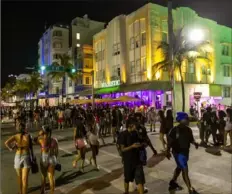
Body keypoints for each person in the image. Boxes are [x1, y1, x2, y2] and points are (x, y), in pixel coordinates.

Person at [166, 112, 199, 194]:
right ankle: (190, 189)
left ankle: (173, 182)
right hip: (178, 153)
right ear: (181, 120)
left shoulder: (188, 130)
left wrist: (194, 143)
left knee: (179, 167)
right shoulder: (174, 130)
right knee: (185, 170)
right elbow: (169, 142)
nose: (188, 120)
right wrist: (167, 151)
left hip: (185, 152)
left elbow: (191, 139)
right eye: (187, 119)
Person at [119, 118, 146, 194]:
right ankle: (126, 192)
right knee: (127, 178)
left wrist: (142, 144)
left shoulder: (136, 133)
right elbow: (122, 149)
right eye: (135, 125)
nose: (136, 127)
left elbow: (141, 141)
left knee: (140, 180)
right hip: (128, 161)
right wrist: (132, 146)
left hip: (137, 160)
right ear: (130, 125)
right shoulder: (123, 134)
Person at [5, 123, 31, 194]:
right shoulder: (28, 136)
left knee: (19, 177)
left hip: (18, 157)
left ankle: (20, 192)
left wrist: (11, 147)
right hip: (26, 157)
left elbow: (6, 142)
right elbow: (29, 146)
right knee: (24, 179)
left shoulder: (15, 136)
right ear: (24, 128)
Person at [34, 125, 59, 194]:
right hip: (52, 158)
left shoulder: (41, 140)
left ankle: (42, 190)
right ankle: (52, 192)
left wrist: (39, 134)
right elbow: (56, 152)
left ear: (44, 132)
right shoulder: (54, 140)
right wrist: (55, 160)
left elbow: (34, 140)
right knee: (51, 177)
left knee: (43, 176)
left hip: (44, 157)